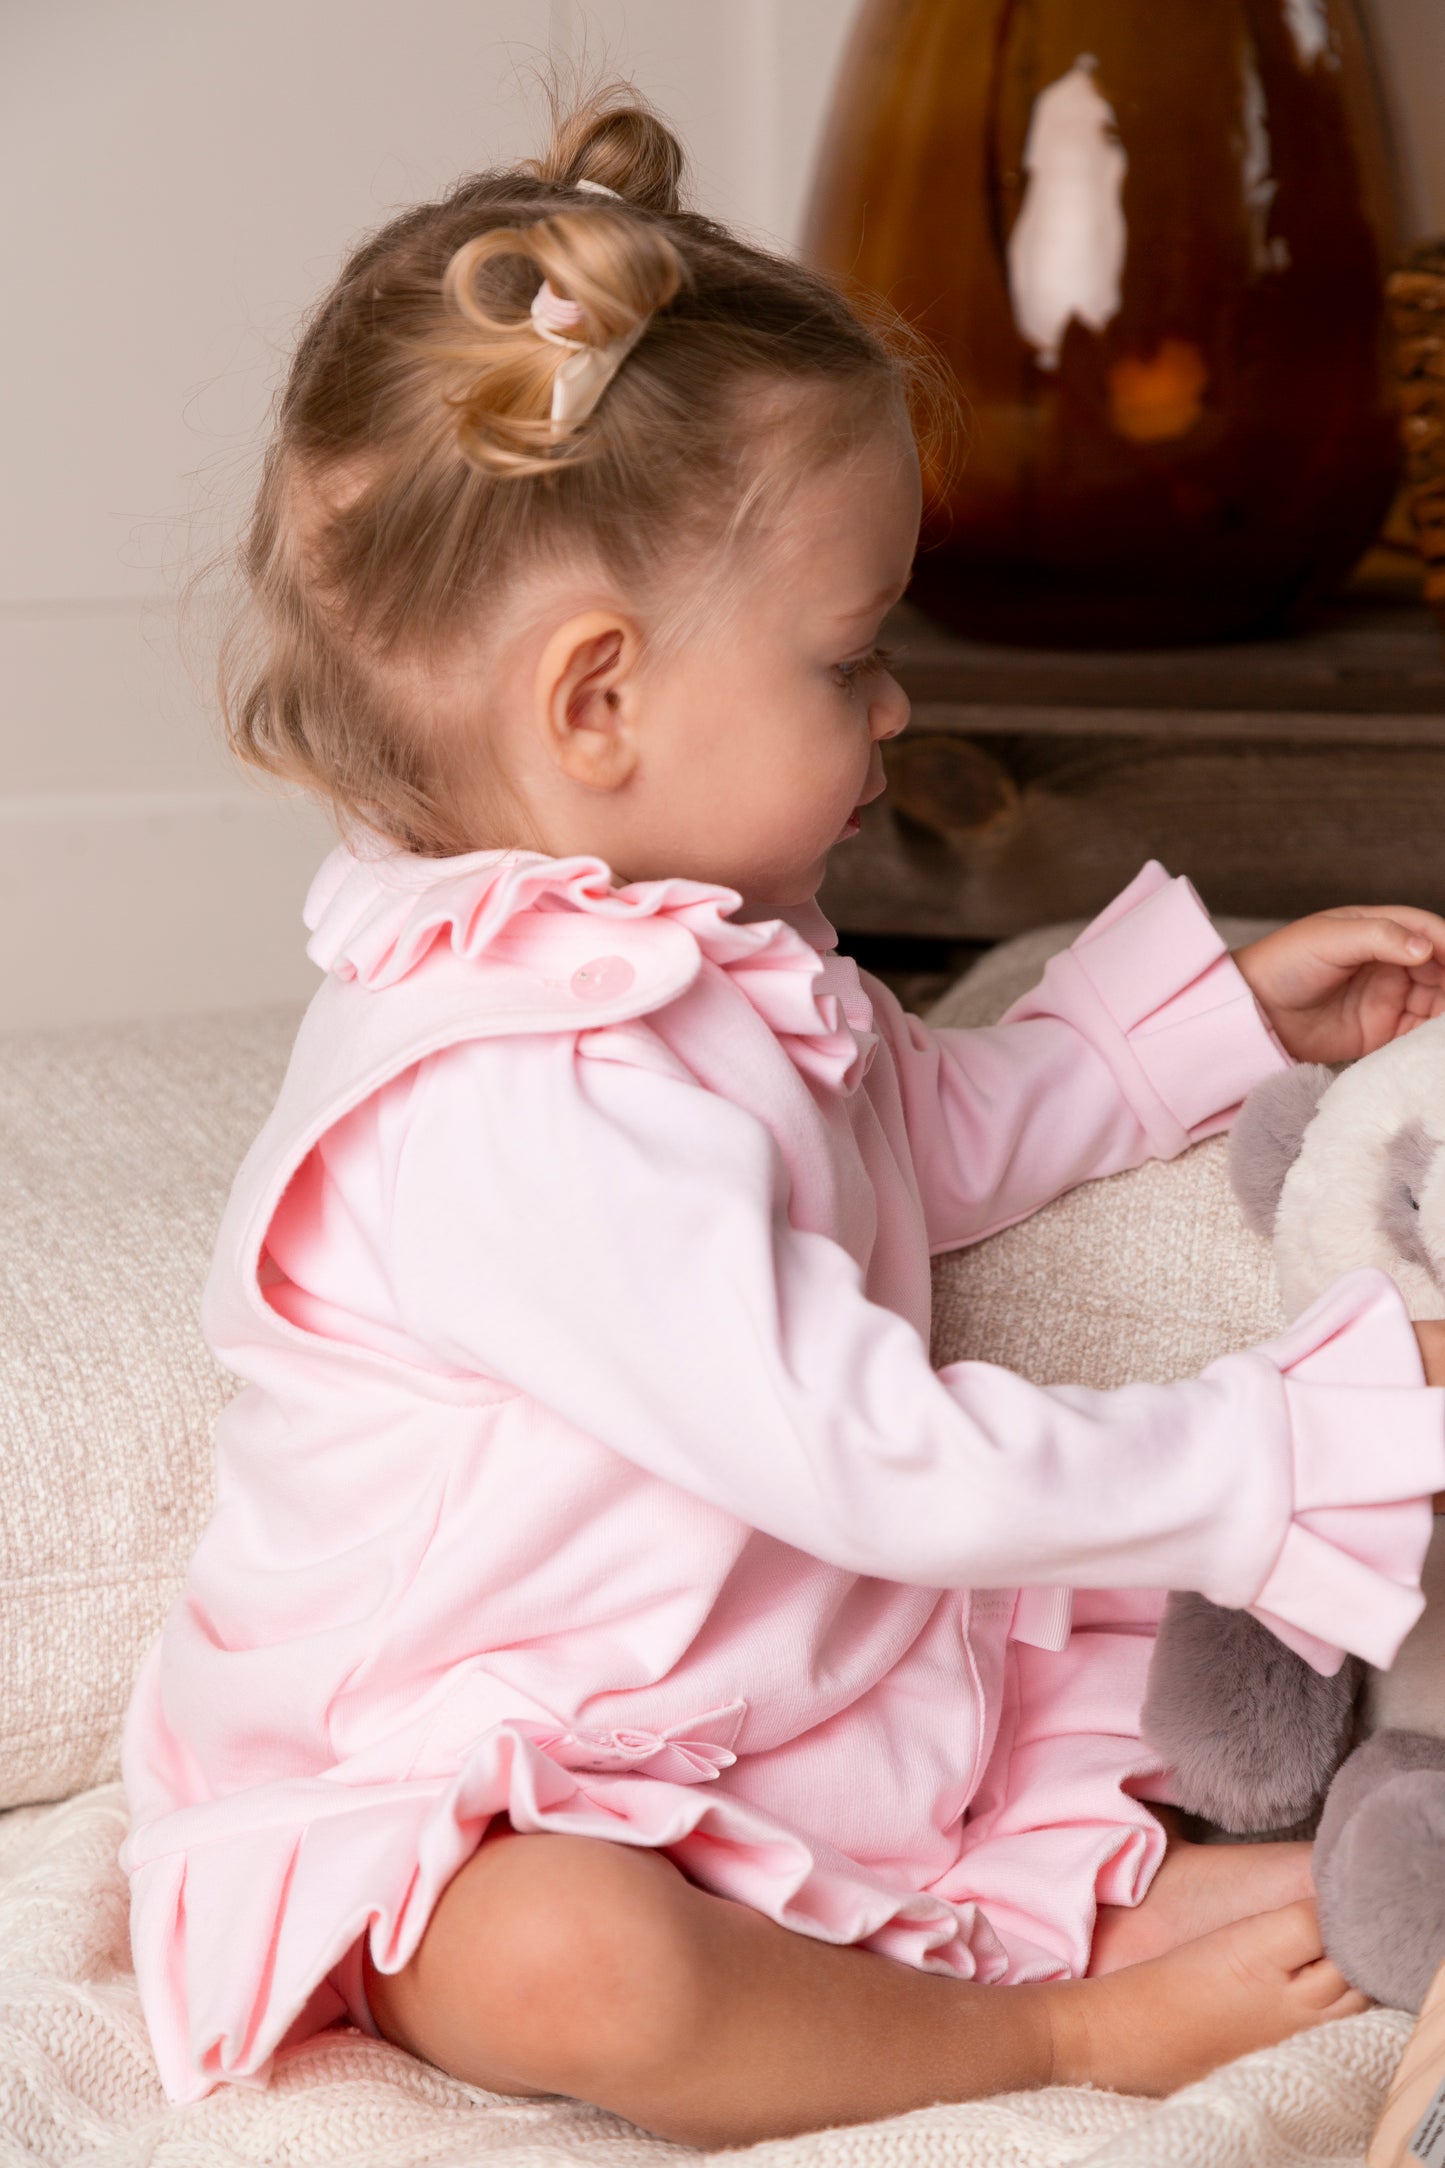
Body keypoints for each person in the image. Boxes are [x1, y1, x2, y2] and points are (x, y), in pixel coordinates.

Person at [121, 89, 1445, 2149]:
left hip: (721, 1693)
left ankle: (970, 1909)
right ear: (598, 703)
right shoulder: (518, 1099)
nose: (897, 703)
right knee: (576, 1957)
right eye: (849, 657)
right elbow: (875, 1458)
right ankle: (1048, 2040)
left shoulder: (697, 951)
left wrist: (1198, 1031)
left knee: (1154, 1813)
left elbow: (913, 1135)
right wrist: (1293, 1440)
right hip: (457, 1764)